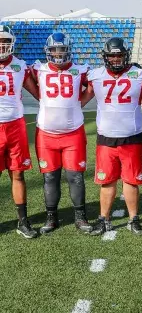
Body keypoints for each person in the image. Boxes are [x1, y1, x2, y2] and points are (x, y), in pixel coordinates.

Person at [82, 37, 142, 236]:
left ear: (126, 56)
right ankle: (104, 219)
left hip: (132, 137)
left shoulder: (139, 75)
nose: (115, 59)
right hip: (106, 138)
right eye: (112, 56)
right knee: (107, 181)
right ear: (106, 57)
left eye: (119, 55)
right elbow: (80, 100)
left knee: (131, 181)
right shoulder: (95, 76)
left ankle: (133, 219)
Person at [32, 32, 92, 234]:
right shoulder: (38, 69)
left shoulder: (80, 70)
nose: (58, 53)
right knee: (50, 177)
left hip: (73, 133)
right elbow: (32, 88)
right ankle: (51, 217)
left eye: (62, 49)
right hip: (46, 134)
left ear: (68, 50)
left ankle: (80, 217)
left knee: (75, 177)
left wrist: (79, 103)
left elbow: (92, 87)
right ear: (48, 51)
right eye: (54, 50)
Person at [0, 25, 39, 238]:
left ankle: (23, 222)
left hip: (15, 125)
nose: (2, 45)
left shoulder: (20, 66)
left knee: (18, 173)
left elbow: (38, 93)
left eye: (5, 41)